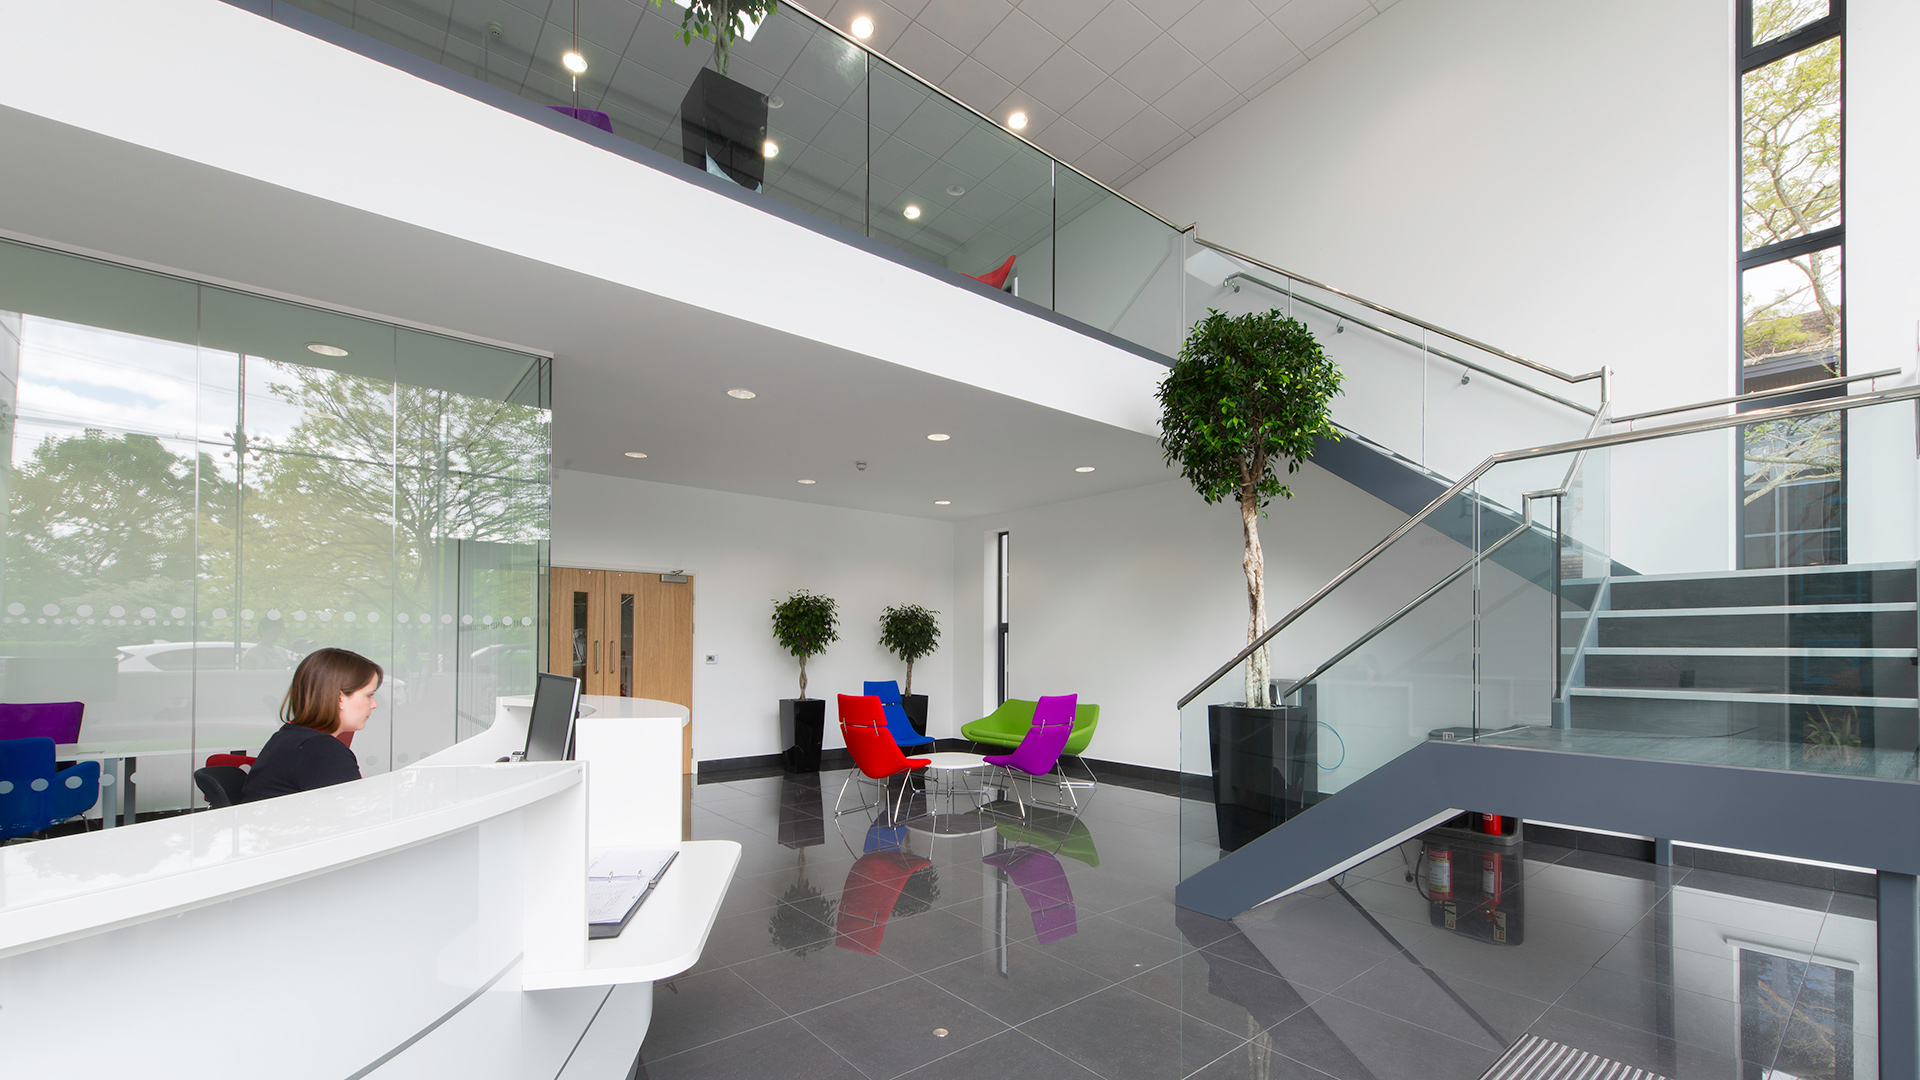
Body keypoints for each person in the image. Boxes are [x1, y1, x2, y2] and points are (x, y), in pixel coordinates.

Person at [240, 647, 381, 803]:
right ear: (340, 697)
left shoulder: (288, 738)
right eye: (369, 695)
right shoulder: (322, 750)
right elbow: (354, 817)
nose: (374, 704)